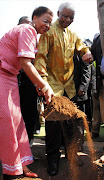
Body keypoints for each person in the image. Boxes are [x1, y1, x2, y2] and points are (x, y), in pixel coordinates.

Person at [34, 2, 93, 176]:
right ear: (58, 13)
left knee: (71, 124)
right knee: (53, 125)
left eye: (71, 18)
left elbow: (82, 46)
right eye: (65, 16)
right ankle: (52, 159)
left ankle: (71, 155)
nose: (67, 20)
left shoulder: (73, 34)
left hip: (70, 87)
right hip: (53, 86)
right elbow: (41, 58)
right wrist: (43, 83)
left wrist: (86, 52)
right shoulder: (48, 31)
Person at [0, 6, 54, 179]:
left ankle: (20, 165)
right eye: (45, 21)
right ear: (35, 17)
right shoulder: (27, 29)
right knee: (7, 121)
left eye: (50, 24)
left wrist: (38, 84)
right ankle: (10, 169)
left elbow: (24, 66)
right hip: (2, 74)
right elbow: (26, 63)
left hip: (11, 78)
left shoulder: (32, 35)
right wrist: (45, 85)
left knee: (17, 121)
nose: (47, 26)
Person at [17, 16, 40, 146]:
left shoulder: (35, 45)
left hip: (29, 86)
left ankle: (28, 147)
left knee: (30, 116)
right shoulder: (9, 41)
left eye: (29, 26)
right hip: (11, 84)